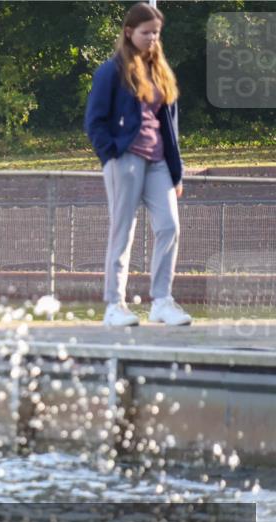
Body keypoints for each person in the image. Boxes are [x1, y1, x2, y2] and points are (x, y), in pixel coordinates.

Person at [84, 2, 192, 327]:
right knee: (123, 233)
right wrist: (111, 154)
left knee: (169, 227)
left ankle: (161, 301)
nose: (152, 39)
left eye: (156, 33)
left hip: (158, 162)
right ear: (129, 32)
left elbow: (170, 129)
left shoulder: (160, 71)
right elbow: (94, 121)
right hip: (125, 159)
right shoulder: (111, 71)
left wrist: (176, 172)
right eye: (146, 33)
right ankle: (114, 305)